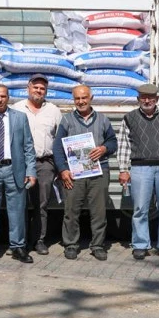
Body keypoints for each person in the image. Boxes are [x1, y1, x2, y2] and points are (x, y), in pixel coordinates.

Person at [117, 83, 159, 261]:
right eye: (143, 98)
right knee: (140, 208)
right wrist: (123, 169)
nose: (147, 101)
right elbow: (124, 144)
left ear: (156, 99)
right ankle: (140, 245)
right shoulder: (129, 118)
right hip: (140, 168)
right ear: (138, 99)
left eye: (150, 98)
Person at [53, 85, 118, 260]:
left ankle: (97, 245)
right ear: (73, 100)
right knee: (71, 211)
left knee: (99, 212)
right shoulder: (67, 121)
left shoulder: (103, 120)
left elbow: (113, 143)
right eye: (77, 99)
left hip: (99, 172)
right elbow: (57, 147)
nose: (81, 102)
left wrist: (104, 148)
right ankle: (71, 244)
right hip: (75, 174)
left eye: (84, 98)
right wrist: (63, 169)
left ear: (91, 97)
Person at [0, 85, 37, 265]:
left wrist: (31, 171)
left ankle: (18, 246)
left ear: (8, 97)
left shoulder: (20, 118)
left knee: (17, 211)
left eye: (3, 96)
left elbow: (28, 147)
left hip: (15, 169)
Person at [12, 74, 63, 254]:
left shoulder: (54, 111)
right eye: (36, 87)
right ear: (28, 88)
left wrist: (59, 166)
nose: (39, 91)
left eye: (42, 88)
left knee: (41, 204)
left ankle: (39, 240)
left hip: (44, 163)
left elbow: (60, 139)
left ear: (46, 91)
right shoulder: (17, 108)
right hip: (21, 163)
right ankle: (19, 242)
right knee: (20, 203)